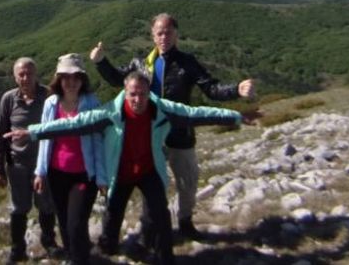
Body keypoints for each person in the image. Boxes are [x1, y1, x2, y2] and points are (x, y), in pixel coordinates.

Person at [5, 71, 251, 265]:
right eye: (133, 94)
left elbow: (198, 113)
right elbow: (75, 124)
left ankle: (166, 257)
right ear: (126, 91)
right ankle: (108, 245)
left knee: (160, 214)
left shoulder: (161, 109)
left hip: (148, 170)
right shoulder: (111, 112)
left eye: (142, 94)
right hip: (120, 171)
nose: (138, 99)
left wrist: (237, 116)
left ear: (148, 93)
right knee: (113, 214)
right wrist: (33, 132)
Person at [90, 12, 255, 240]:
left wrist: (237, 89)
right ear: (152, 35)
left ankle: (185, 222)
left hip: (180, 134)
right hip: (150, 136)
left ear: (176, 34)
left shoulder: (187, 63)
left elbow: (212, 88)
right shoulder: (141, 63)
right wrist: (101, 62)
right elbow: (119, 79)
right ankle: (149, 232)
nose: (164, 37)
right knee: (152, 185)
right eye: (159, 32)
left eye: (168, 32)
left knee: (187, 182)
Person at [33, 53, 107, 265]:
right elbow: (44, 138)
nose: (71, 81)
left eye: (76, 76)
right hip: (57, 174)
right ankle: (74, 257)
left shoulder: (92, 102)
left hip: (84, 175)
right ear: (59, 79)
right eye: (66, 77)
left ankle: (79, 258)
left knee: (76, 222)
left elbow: (97, 142)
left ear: (82, 79)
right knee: (64, 222)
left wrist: (101, 177)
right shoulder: (51, 104)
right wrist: (40, 172)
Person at [0, 57, 61, 263]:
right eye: (21, 74)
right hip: (18, 164)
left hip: (44, 164)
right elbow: (1, 133)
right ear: (15, 77)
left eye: (29, 73)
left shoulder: (49, 96)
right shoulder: (9, 99)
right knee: (18, 208)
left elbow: (57, 128)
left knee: (46, 205)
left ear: (36, 74)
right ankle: (17, 249)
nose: (25, 78)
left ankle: (49, 242)